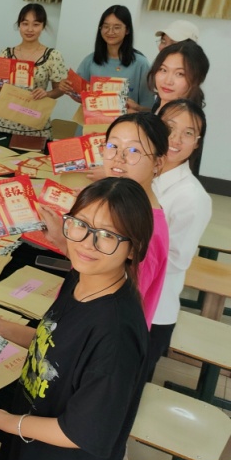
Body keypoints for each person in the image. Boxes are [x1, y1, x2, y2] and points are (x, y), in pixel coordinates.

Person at [0, 177, 152, 460]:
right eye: (81, 225)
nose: (87, 243)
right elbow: (58, 343)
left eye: (107, 235)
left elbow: (78, 432)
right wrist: (2, 327)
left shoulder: (116, 336)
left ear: (133, 249)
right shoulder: (85, 277)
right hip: (33, 450)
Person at [41, 113, 170, 329]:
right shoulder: (125, 205)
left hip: (90, 334)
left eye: (134, 150)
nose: (119, 158)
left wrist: (63, 242)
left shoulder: (149, 229)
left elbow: (118, 305)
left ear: (158, 162)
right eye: (113, 146)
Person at [148, 100, 211, 379]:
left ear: (196, 143)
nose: (175, 139)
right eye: (169, 128)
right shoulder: (145, 173)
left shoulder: (192, 197)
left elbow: (175, 260)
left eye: (188, 133)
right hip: (118, 298)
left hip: (152, 312)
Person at [0, 4, 68, 139]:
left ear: (43, 26)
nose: (30, 29)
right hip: (4, 123)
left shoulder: (53, 56)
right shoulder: (6, 54)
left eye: (36, 24)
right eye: (25, 24)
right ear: (19, 25)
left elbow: (60, 89)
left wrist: (47, 93)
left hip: (35, 126)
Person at [60, 5, 155, 110]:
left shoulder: (141, 64)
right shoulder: (90, 61)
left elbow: (149, 109)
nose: (110, 32)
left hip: (126, 120)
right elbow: (81, 97)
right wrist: (68, 88)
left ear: (127, 30)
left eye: (117, 27)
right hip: (92, 120)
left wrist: (135, 108)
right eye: (106, 26)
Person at [146, 39, 209, 112]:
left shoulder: (181, 117)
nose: (168, 81)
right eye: (163, 70)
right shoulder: (160, 106)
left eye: (179, 74)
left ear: (197, 79)